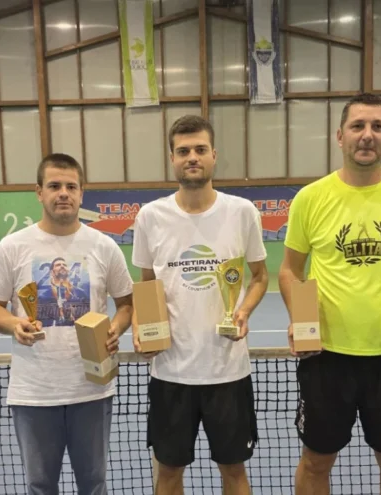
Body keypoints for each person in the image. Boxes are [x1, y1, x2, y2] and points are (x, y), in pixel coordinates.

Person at [278, 92, 381, 495]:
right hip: (325, 357)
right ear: (340, 136)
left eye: (377, 126)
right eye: (358, 126)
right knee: (316, 461)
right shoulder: (310, 198)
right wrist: (300, 319)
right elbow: (290, 270)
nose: (367, 135)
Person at [0, 153, 134, 495]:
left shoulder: (105, 247)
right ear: (39, 192)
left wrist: (116, 328)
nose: (63, 193)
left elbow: (126, 304)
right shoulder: (12, 247)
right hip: (34, 393)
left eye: (71, 186)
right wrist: (14, 324)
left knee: (93, 485)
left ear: (81, 193)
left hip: (92, 390)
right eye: (54, 186)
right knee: (40, 486)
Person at [131, 115, 269, 495]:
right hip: (170, 374)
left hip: (228, 372)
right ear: (172, 159)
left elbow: (260, 276)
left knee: (234, 471)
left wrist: (243, 311)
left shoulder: (242, 212)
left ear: (214, 155)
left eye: (200, 149)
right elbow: (146, 285)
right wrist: (141, 327)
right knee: (168, 473)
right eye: (183, 151)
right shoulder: (150, 217)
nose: (192, 157)